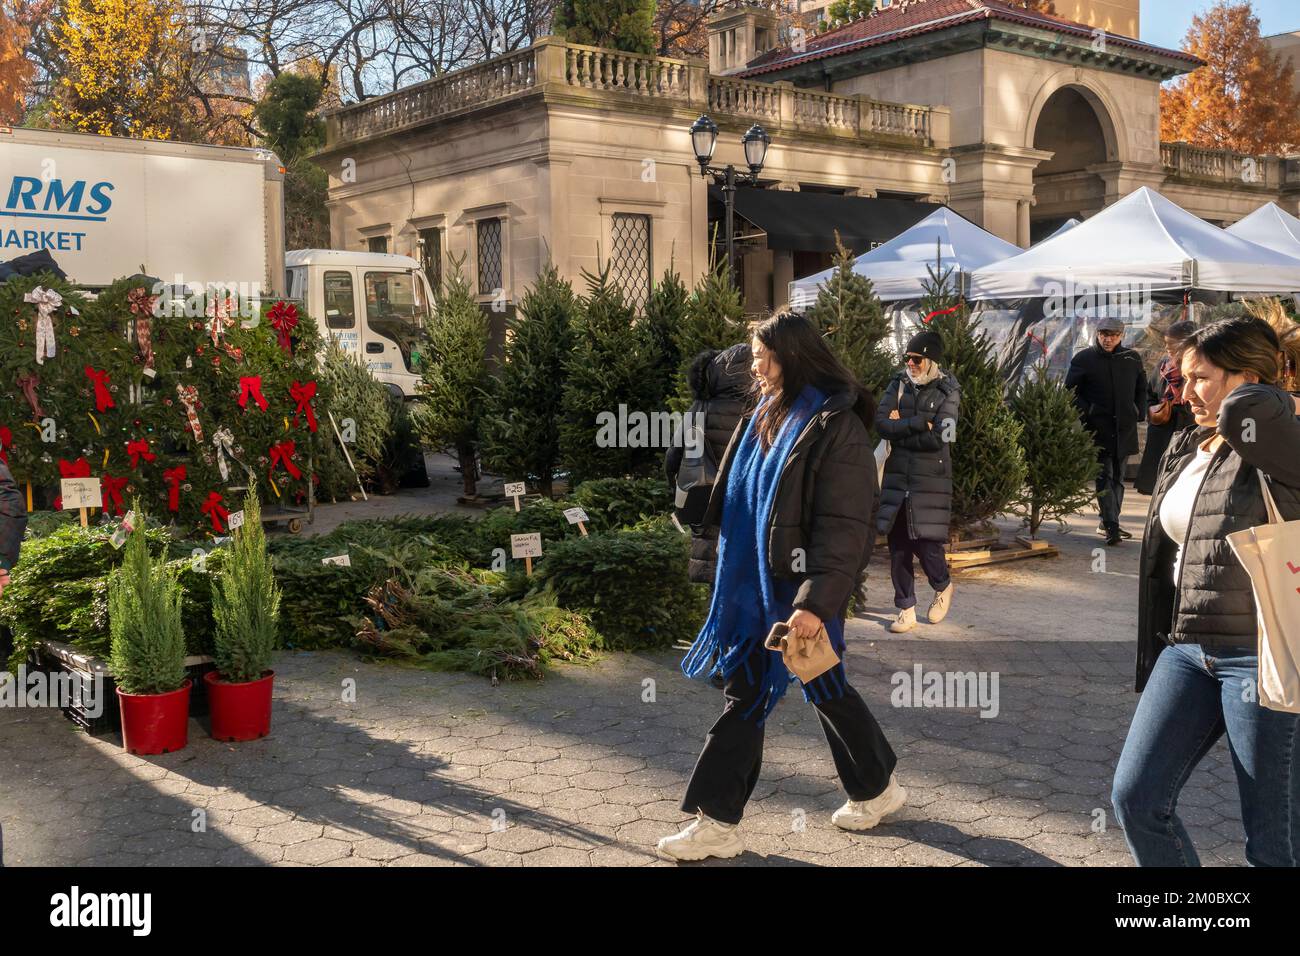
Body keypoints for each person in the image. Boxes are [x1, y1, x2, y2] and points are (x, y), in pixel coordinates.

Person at [657, 312, 904, 862]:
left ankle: (716, 822)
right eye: (753, 355)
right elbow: (735, 494)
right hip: (750, 589)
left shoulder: (835, 426)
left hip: (795, 595)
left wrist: (815, 603)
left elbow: (844, 527)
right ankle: (877, 787)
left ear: (795, 358)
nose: (756, 367)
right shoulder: (764, 412)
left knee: (764, 695)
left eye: (764, 356)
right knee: (812, 688)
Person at [1111, 316, 1300, 867]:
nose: (1184, 390)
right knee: (1137, 796)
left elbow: (1248, 410)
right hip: (1189, 648)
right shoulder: (1194, 443)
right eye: (1181, 376)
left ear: (1248, 378)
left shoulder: (1276, 435)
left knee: (1273, 842)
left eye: (1201, 377)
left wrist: (1260, 383)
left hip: (1264, 655)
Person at [874, 329, 960, 634]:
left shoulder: (948, 390)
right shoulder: (897, 384)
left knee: (927, 546)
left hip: (929, 481)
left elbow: (942, 437)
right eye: (907, 357)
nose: (910, 363)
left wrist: (902, 427)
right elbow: (882, 424)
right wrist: (915, 424)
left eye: (916, 358)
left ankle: (943, 585)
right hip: (897, 478)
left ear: (931, 360)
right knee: (897, 548)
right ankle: (905, 608)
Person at [665, 343, 753, 585]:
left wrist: (676, 492)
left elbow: (673, 457)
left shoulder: (700, 407)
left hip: (704, 501)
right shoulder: (764, 409)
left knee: (709, 580)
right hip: (747, 506)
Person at [1064, 316, 1147, 546]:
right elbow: (1070, 392)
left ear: (1122, 336)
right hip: (1098, 427)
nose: (1107, 339)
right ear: (1097, 334)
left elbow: (1142, 388)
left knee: (1119, 478)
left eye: (1113, 335)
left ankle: (1110, 522)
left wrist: (1139, 411)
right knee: (1104, 476)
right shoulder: (1084, 359)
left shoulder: (1132, 358)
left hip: (1125, 427)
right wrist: (1089, 410)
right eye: (1103, 334)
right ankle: (1111, 525)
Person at [1134, 320, 1197, 496]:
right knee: (1158, 479)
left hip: (1188, 425)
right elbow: (1150, 392)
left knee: (1182, 477)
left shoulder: (1201, 366)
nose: (1167, 347)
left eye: (1172, 343)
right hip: (1162, 426)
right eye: (1166, 342)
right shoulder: (1164, 364)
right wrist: (1152, 410)